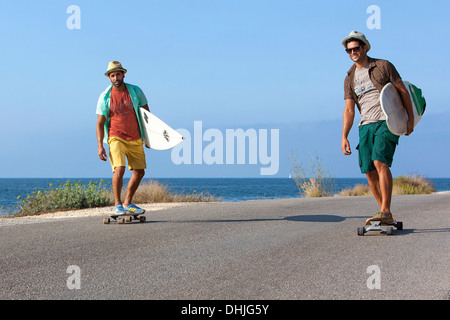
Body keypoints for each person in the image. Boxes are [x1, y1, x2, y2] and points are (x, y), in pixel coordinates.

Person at [340, 31, 414, 225]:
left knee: (380, 162)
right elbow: (349, 110)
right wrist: (344, 136)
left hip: (386, 120)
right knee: (369, 170)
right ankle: (385, 213)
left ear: (365, 47)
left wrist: (410, 119)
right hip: (365, 125)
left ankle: (385, 211)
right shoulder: (350, 77)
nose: (353, 52)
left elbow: (402, 91)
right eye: (349, 50)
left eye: (356, 48)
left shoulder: (383, 66)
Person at [96, 61, 150, 215]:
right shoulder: (105, 97)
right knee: (119, 169)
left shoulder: (135, 91)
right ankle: (117, 204)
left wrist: (149, 138)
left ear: (123, 74)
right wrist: (100, 145)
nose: (116, 78)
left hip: (135, 137)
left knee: (139, 172)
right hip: (115, 137)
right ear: (109, 78)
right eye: (112, 75)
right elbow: (100, 123)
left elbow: (147, 116)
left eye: (118, 74)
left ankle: (128, 202)